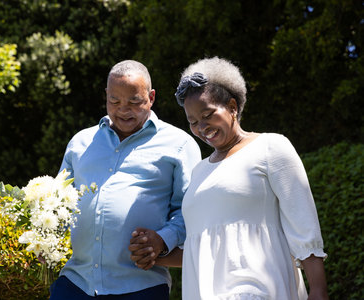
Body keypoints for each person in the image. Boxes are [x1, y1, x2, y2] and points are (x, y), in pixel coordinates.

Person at [130, 57, 329, 299]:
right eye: (193, 122)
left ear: (232, 107)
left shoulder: (271, 147)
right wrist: (154, 252)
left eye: (208, 115)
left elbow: (303, 225)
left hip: (259, 290)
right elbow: (202, 246)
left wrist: (318, 289)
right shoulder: (199, 171)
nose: (202, 127)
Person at [49, 60, 201, 299]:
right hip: (75, 283)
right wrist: (45, 234)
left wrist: (163, 239)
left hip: (141, 286)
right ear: (106, 96)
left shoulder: (180, 145)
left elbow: (191, 211)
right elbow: (56, 202)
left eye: (134, 101)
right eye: (114, 101)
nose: (123, 109)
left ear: (151, 97)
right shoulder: (80, 142)